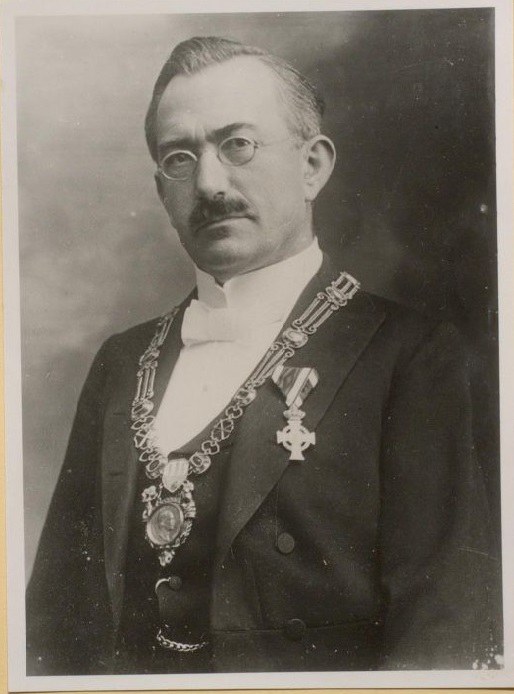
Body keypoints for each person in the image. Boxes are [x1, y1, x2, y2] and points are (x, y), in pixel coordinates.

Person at [26, 36, 501, 676]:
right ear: (161, 190)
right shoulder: (122, 361)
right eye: (179, 158)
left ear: (313, 167)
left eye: (239, 145)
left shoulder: (408, 355)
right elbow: (54, 625)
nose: (210, 183)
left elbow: (444, 630)